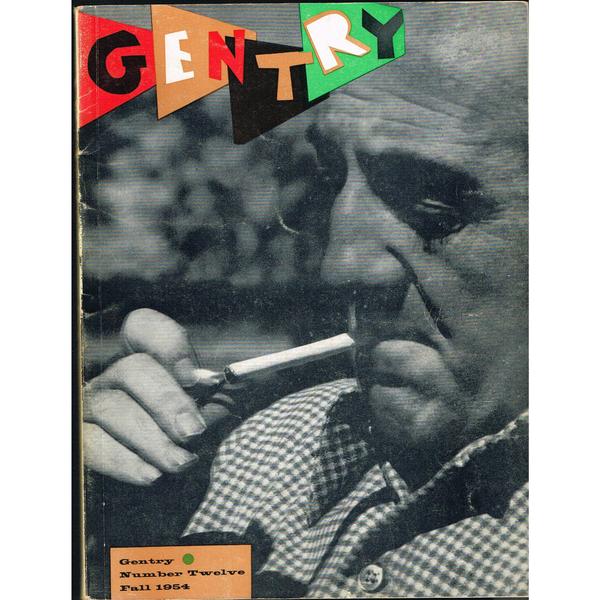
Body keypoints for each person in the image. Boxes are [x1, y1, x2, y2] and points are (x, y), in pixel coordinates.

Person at [82, 2, 528, 596]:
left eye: (434, 204)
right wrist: (112, 536)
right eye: (330, 182)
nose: (341, 265)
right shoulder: (257, 453)